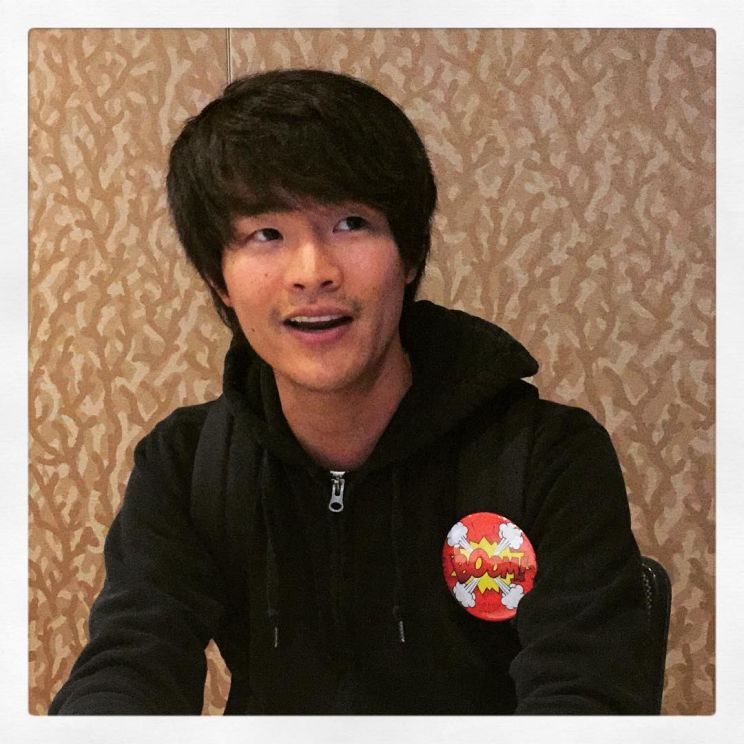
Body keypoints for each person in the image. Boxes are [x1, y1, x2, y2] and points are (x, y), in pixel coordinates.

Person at [49, 68, 652, 715]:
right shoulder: (186, 463)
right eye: (266, 234)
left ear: (410, 255)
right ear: (218, 279)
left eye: (351, 223)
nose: (312, 273)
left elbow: (586, 695)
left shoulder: (547, 456)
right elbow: (131, 662)